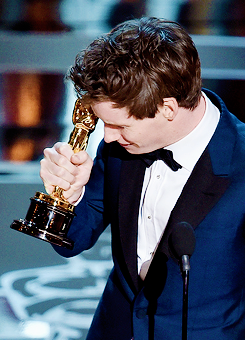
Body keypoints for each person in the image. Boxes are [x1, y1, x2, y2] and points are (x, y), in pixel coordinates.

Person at [40, 17, 245, 339]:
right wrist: (65, 197)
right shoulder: (121, 147)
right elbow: (73, 242)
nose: (107, 138)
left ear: (167, 108)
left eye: (120, 126)